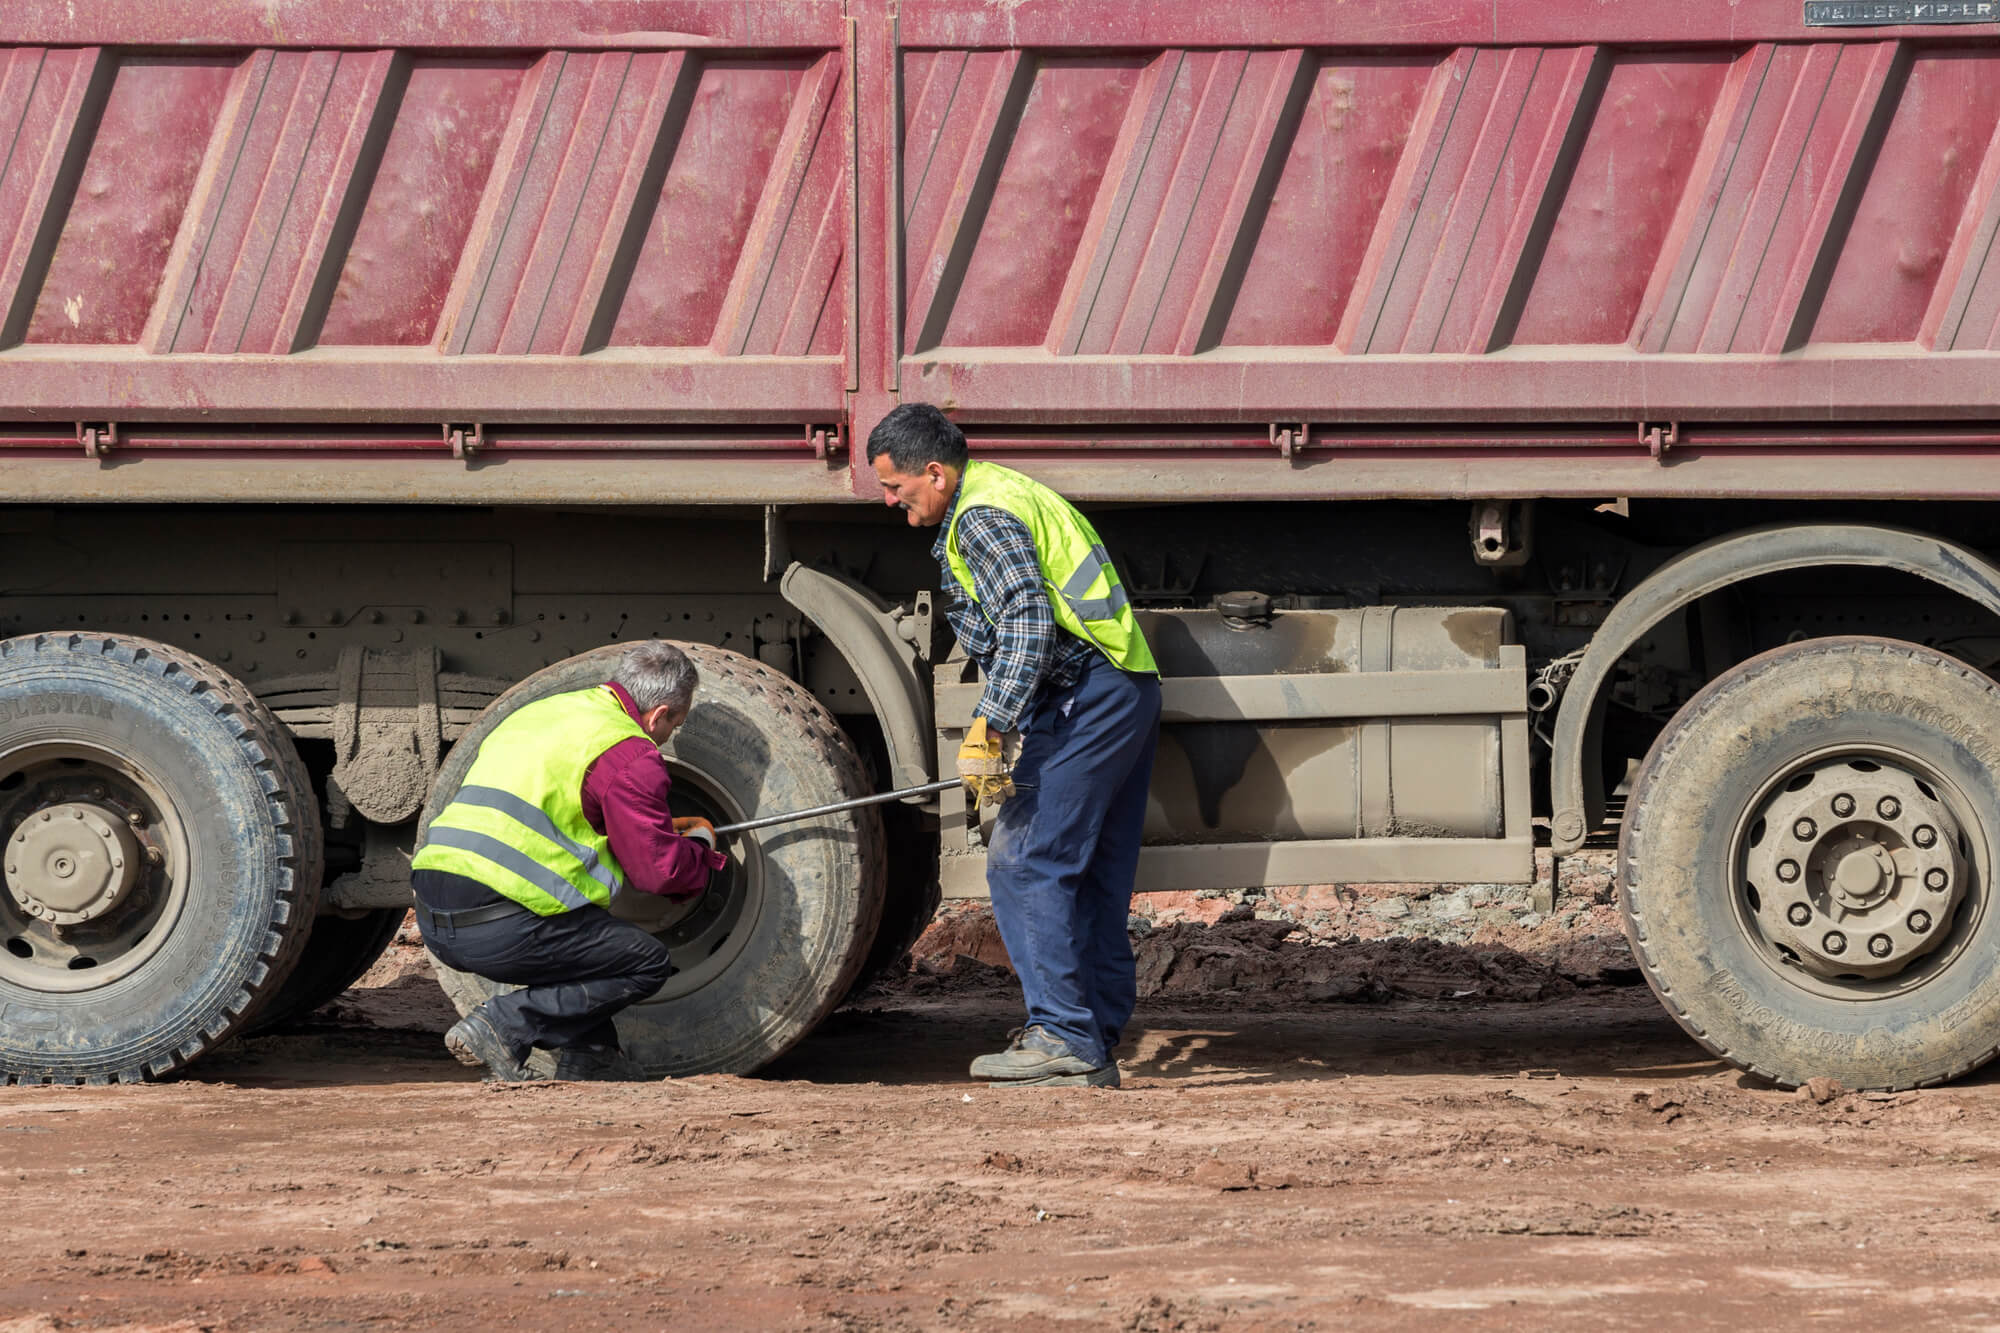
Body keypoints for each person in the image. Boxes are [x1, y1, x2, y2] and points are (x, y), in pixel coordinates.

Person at [868, 403, 1161, 1089]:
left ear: (934, 473)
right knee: (1085, 874)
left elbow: (1027, 622)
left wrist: (991, 723)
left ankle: (1062, 1034)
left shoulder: (980, 516)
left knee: (1023, 860)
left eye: (896, 486)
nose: (889, 500)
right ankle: (1088, 1032)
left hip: (1085, 698)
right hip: (1120, 691)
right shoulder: (1005, 490)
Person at [409, 641, 727, 1082]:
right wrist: (698, 855)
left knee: (585, 929)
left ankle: (591, 1054)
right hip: (495, 924)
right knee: (645, 962)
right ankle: (504, 1024)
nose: (668, 734)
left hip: (434, 911)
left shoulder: (547, 712)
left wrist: (649, 829)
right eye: (676, 723)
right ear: (659, 715)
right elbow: (657, 873)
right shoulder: (631, 754)